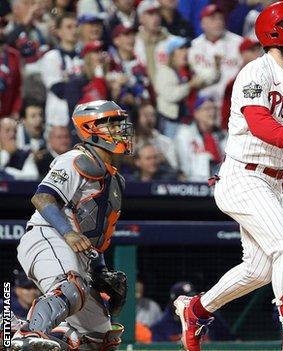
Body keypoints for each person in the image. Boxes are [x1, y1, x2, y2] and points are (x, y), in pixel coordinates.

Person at [173, 3, 283, 351]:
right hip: (242, 175)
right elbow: (260, 123)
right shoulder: (254, 73)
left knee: (258, 270)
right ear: (273, 31)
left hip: (272, 183)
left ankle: (196, 310)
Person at [10, 100, 133, 351]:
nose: (119, 129)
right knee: (71, 287)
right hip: (49, 235)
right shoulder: (76, 159)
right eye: (111, 124)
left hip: (76, 252)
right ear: (89, 128)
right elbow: (42, 197)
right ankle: (25, 333)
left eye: (119, 124)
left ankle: (45, 333)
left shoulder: (115, 179)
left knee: (100, 338)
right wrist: (68, 233)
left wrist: (101, 272)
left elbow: (93, 238)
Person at [188, 4, 241, 110]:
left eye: (220, 18)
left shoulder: (239, 43)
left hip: (232, 102)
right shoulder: (193, 46)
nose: (218, 22)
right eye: (213, 18)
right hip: (204, 105)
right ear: (202, 23)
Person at [154, 36, 207, 139]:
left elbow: (205, 80)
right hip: (170, 122)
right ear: (172, 53)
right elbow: (171, 95)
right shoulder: (164, 71)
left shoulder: (186, 71)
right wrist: (190, 85)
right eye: (181, 49)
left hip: (186, 121)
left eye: (186, 48)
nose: (185, 52)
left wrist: (217, 68)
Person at [39, 12, 81, 127]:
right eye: (69, 27)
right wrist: (81, 83)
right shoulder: (51, 57)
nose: (74, 30)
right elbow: (58, 89)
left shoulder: (83, 57)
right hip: (59, 120)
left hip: (82, 120)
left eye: (76, 26)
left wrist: (71, 82)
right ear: (58, 31)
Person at [175, 96, 225, 181]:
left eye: (214, 109)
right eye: (207, 109)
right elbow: (184, 166)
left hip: (221, 182)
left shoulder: (223, 135)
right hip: (194, 183)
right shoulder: (185, 134)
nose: (212, 113)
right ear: (196, 113)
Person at [221, 38, 264, 130]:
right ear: (242, 54)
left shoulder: (262, 73)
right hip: (237, 127)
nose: (257, 53)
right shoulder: (238, 76)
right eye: (252, 50)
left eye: (258, 50)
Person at [134, 102, 178, 170]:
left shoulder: (166, 142)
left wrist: (164, 160)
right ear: (137, 118)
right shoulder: (130, 143)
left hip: (160, 179)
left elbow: (174, 167)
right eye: (146, 115)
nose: (149, 119)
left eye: (152, 115)